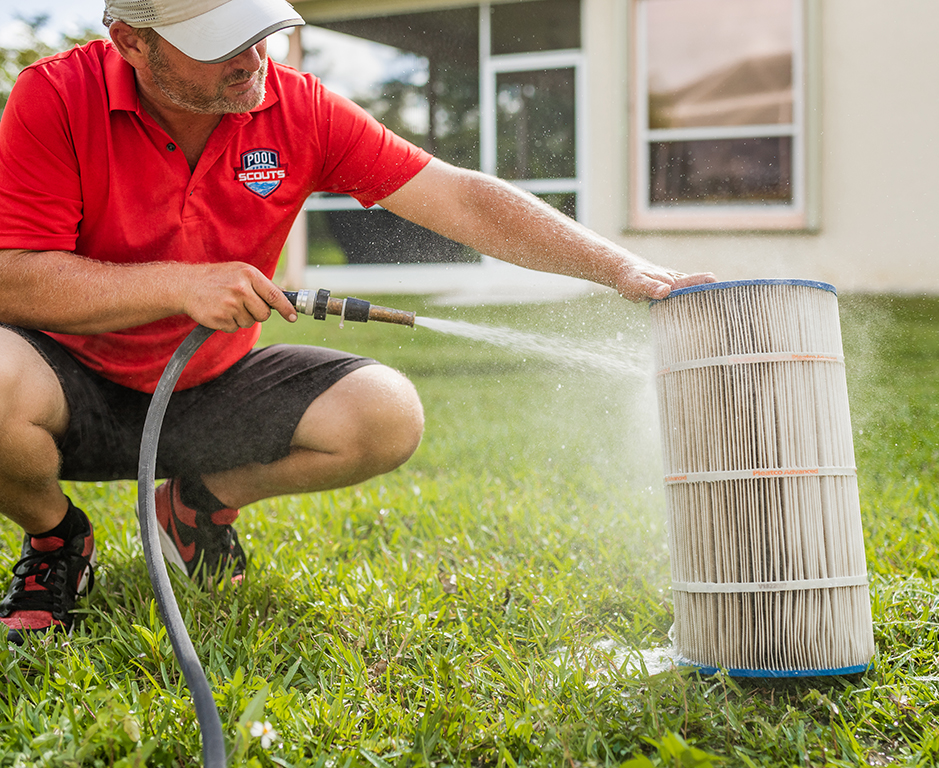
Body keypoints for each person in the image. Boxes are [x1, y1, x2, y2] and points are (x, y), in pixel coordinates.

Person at [0, 0, 714, 646]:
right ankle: (58, 540)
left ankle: (193, 506)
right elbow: (12, 279)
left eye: (260, 36)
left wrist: (619, 267)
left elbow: (460, 199)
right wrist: (179, 285)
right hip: (72, 384)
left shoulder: (295, 107)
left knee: (384, 412)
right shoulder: (56, 98)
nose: (252, 61)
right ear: (130, 41)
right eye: (219, 45)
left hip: (207, 380)